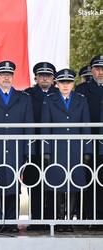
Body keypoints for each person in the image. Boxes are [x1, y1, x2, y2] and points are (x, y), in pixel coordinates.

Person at [0, 61, 34, 233]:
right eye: (2, 75)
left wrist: (28, 151)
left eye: (9, 75)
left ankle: (10, 222)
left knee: (13, 186)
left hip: (16, 149)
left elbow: (29, 127)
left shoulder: (23, 98)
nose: (6, 78)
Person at [41, 68, 92, 232]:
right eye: (62, 82)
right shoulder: (50, 100)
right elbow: (45, 127)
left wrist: (87, 150)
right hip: (57, 148)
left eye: (68, 82)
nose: (65, 85)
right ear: (56, 83)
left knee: (74, 185)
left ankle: (69, 219)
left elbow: (86, 127)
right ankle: (59, 219)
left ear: (73, 83)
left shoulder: (81, 99)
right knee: (57, 185)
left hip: (75, 149)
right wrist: (46, 150)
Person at [24, 62, 57, 230]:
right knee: (34, 184)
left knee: (53, 184)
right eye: (41, 75)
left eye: (48, 75)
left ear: (53, 78)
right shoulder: (27, 95)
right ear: (35, 77)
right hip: (33, 147)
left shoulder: (59, 94)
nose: (45, 78)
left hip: (54, 149)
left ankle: (51, 220)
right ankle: (36, 220)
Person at [75, 55, 103, 230]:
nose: (100, 72)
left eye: (102, 68)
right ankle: (90, 217)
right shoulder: (81, 90)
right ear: (91, 70)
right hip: (89, 144)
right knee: (89, 182)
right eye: (97, 68)